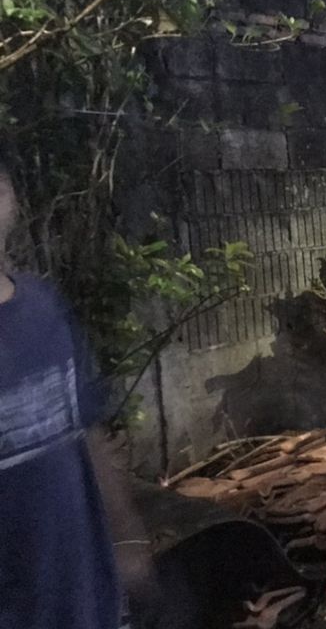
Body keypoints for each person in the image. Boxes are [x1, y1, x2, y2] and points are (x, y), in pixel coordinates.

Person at [0, 161, 155, 629]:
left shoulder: (44, 309)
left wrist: (128, 543)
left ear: (9, 198)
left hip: (91, 607)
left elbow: (87, 435)